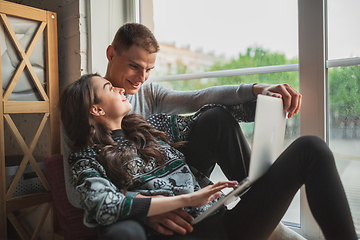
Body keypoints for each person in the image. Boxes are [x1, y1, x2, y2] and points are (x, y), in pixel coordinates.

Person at [59, 73, 357, 240]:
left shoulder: (146, 127)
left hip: (226, 221)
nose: (122, 88)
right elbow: (101, 204)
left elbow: (208, 120)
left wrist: (264, 102)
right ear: (96, 110)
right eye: (110, 88)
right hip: (188, 233)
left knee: (312, 148)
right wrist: (186, 200)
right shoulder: (87, 158)